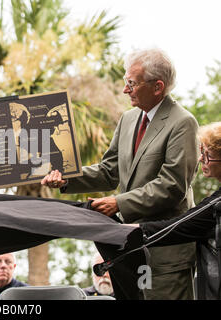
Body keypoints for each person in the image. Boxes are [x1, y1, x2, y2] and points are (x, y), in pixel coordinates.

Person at [42, 48, 199, 300]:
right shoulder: (128, 119)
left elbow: (171, 187)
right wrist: (66, 177)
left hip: (165, 253)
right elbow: (108, 171)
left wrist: (118, 202)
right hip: (129, 250)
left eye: (131, 83)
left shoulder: (183, 123)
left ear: (158, 87)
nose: (125, 90)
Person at [128, 122, 221, 299]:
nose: (201, 159)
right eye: (202, 152)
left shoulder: (217, 205)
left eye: (208, 155)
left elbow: (179, 226)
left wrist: (123, 232)